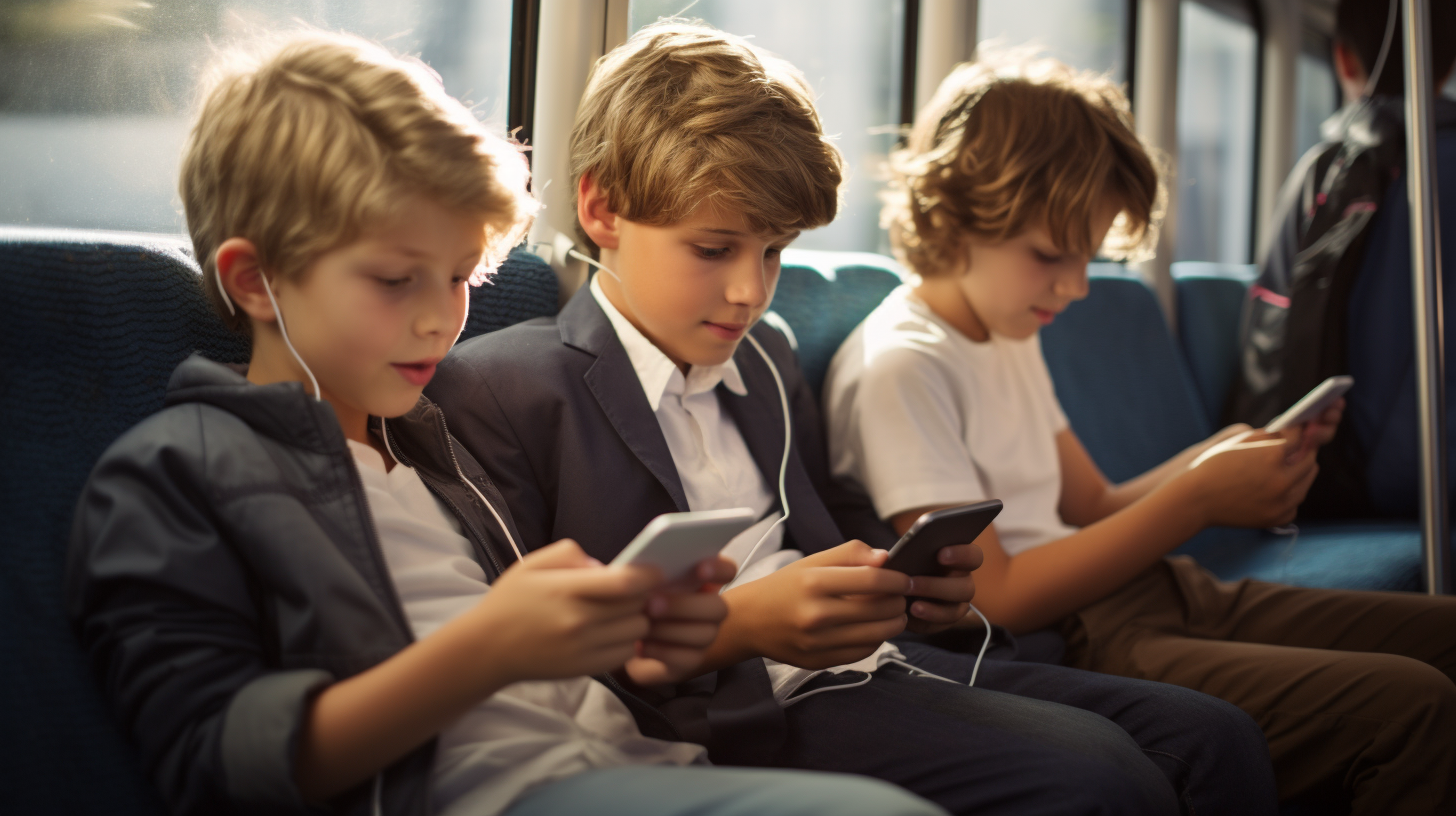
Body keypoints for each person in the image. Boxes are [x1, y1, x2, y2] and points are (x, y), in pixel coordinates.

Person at [64, 31, 951, 816]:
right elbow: (222, 760)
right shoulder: (176, 474)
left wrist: (643, 639)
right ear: (257, 281)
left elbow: (570, 674)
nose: (439, 322)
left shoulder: (431, 446)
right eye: (393, 280)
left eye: (457, 277)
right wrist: (492, 647)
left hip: (629, 753)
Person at [429, 20, 1281, 816]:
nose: (749, 293)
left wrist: (915, 585)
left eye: (774, 253)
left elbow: (828, 528)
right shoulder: (505, 386)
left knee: (1215, 737)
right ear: (602, 209)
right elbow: (525, 650)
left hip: (882, 661)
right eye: (714, 249)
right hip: (732, 702)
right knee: (1102, 776)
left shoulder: (766, 359)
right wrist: (748, 626)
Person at [824, 54, 1456, 814]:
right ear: (953, 216)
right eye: (1050, 257)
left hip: (1155, 589)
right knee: (1414, 704)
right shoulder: (904, 367)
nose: (1077, 287)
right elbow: (1000, 594)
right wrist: (1195, 502)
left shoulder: (1007, 331)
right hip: (1081, 630)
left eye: (1087, 256)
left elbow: (1092, 500)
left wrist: (1220, 458)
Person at [1226, 0, 1456, 518]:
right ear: (1447, 63)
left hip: (1354, 481)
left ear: (1343, 60)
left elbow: (1273, 343)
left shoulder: (1324, 176)